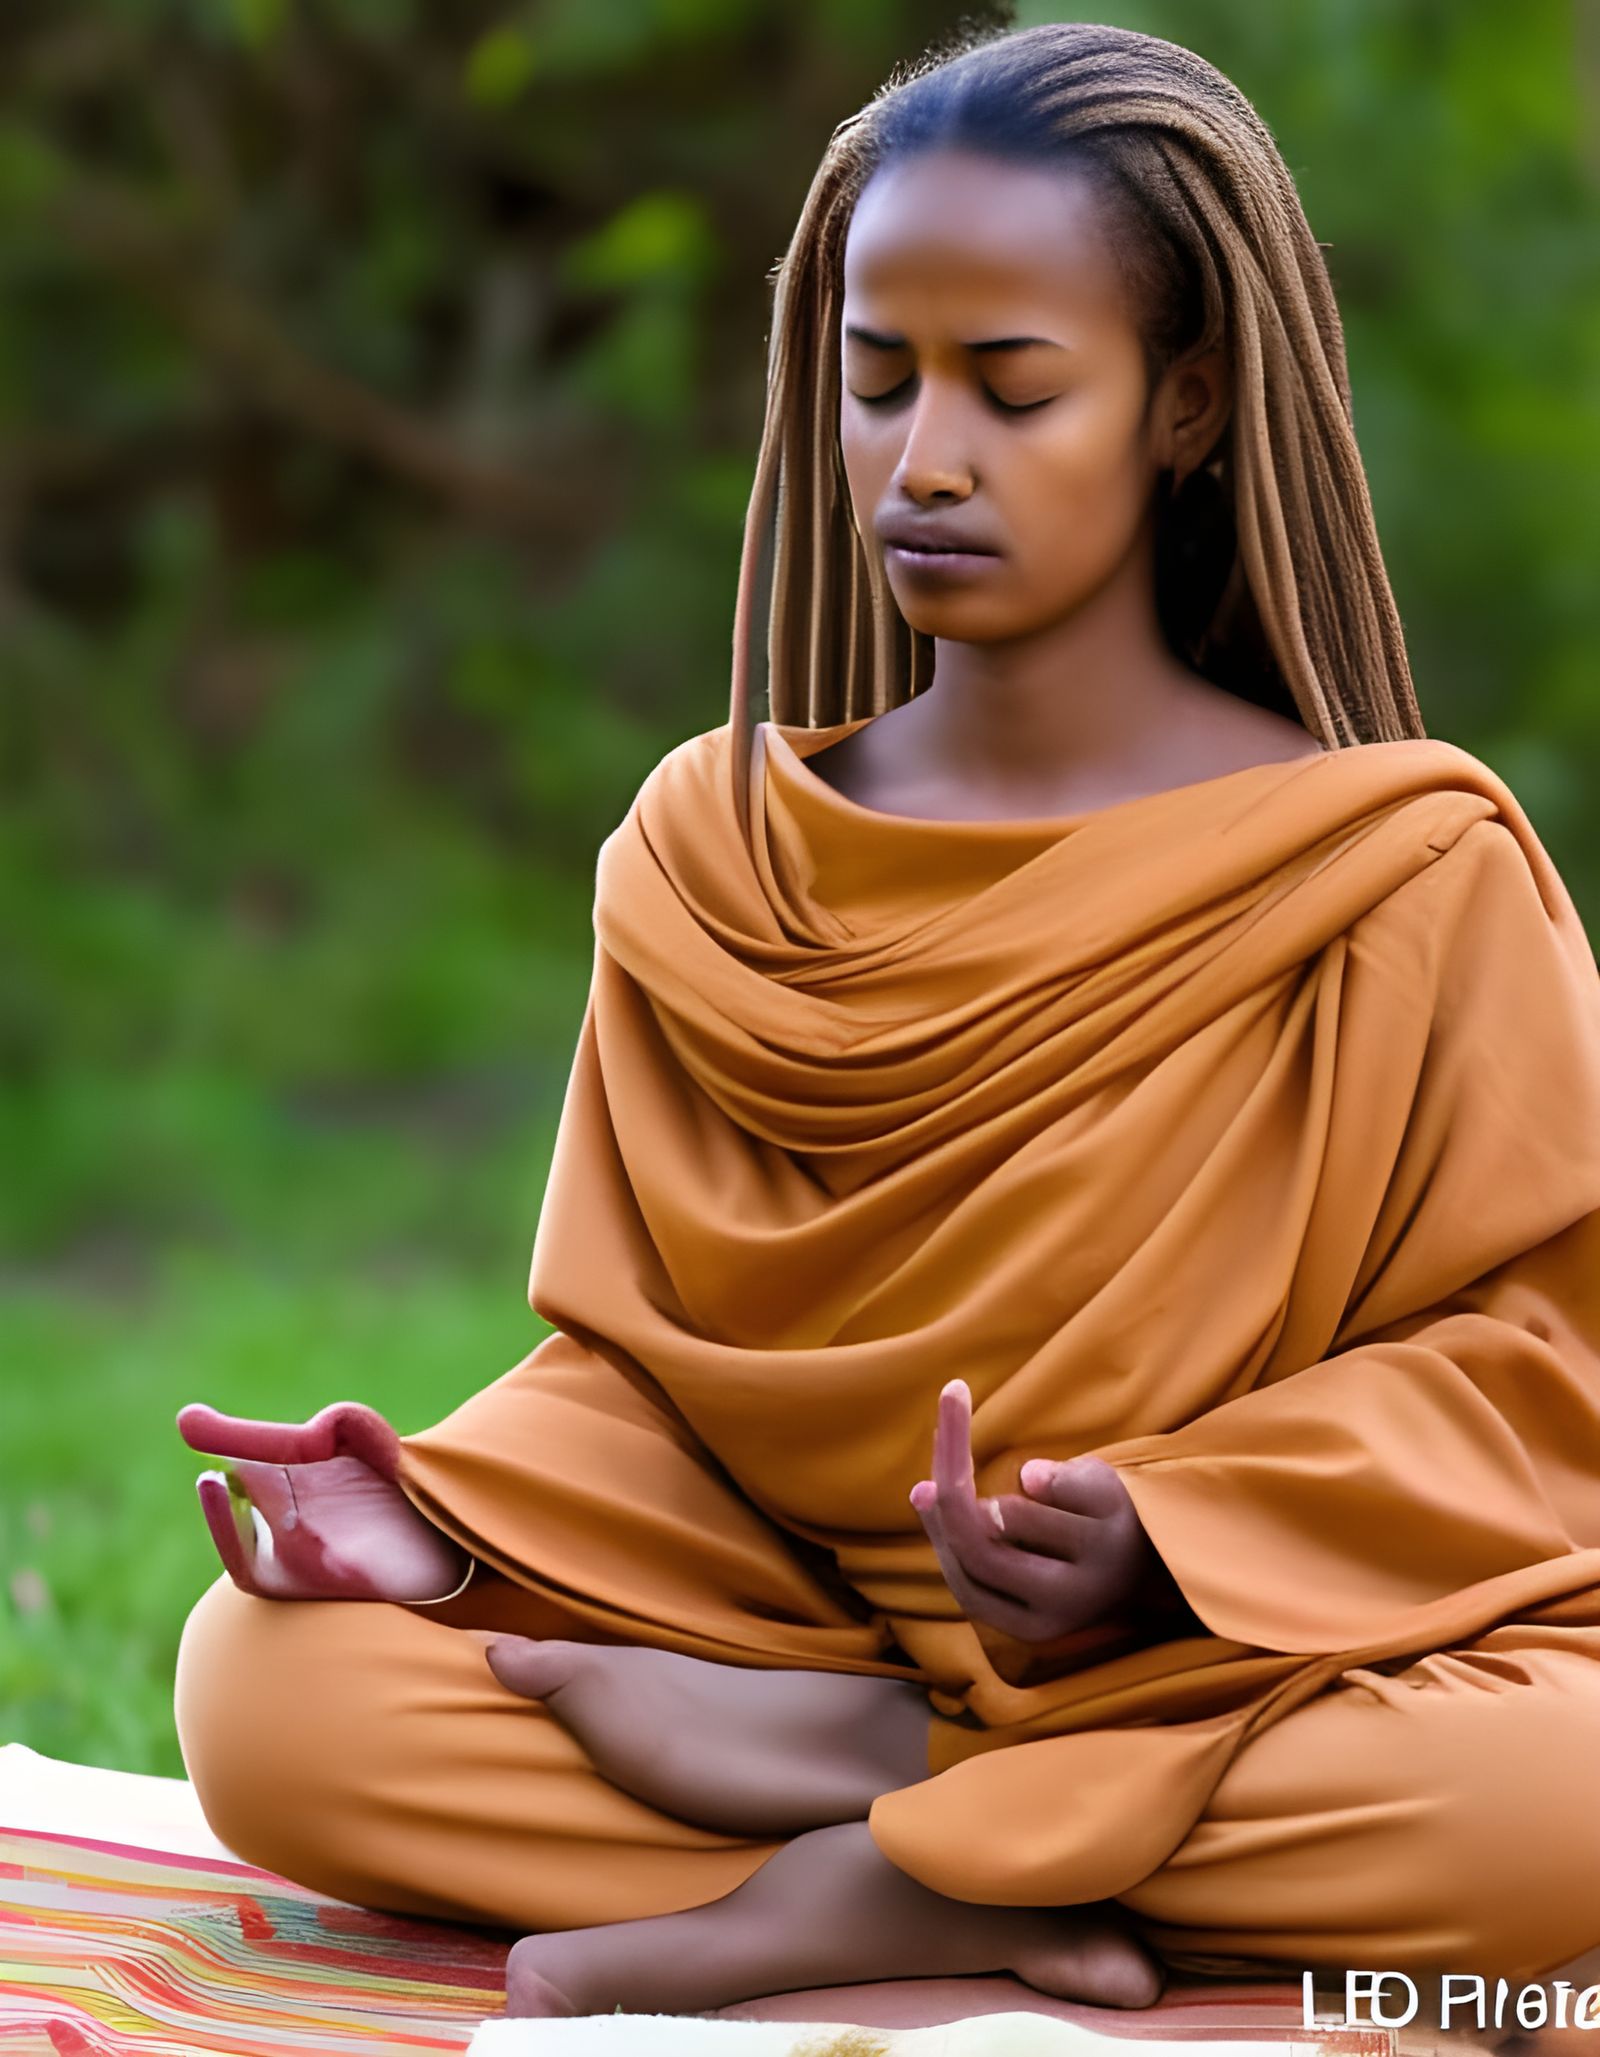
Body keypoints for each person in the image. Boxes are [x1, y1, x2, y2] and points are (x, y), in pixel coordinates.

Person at [171, 19, 1600, 2027]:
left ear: (1184, 405)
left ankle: (886, 1832)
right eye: (873, 382)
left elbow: (1545, 1374)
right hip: (771, 1634)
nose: (922, 458)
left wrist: (1169, 1535)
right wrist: (445, 1523)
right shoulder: (714, 854)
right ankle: (938, 1808)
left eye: (1012, 390)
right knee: (270, 1699)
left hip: (1238, 1659)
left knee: (1553, 1792)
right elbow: (649, 1386)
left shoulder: (1400, 871)